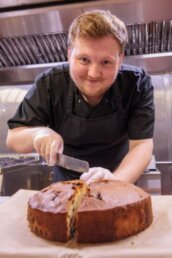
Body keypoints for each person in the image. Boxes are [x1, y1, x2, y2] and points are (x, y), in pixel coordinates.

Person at [6, 10, 154, 184]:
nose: (93, 73)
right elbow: (13, 138)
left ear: (120, 59)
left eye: (106, 62)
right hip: (66, 184)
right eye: (84, 59)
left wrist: (115, 181)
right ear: (69, 55)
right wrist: (38, 133)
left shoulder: (136, 84)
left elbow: (142, 145)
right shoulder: (50, 83)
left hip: (119, 177)